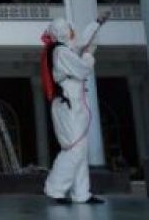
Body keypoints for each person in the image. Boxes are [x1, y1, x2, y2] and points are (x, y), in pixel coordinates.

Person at [43, 18, 105, 205]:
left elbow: (80, 44)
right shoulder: (61, 52)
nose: (72, 31)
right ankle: (55, 188)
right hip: (68, 106)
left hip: (73, 106)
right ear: (63, 32)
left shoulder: (63, 50)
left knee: (80, 149)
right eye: (70, 29)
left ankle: (81, 193)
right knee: (73, 148)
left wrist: (95, 23)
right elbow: (82, 69)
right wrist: (88, 56)